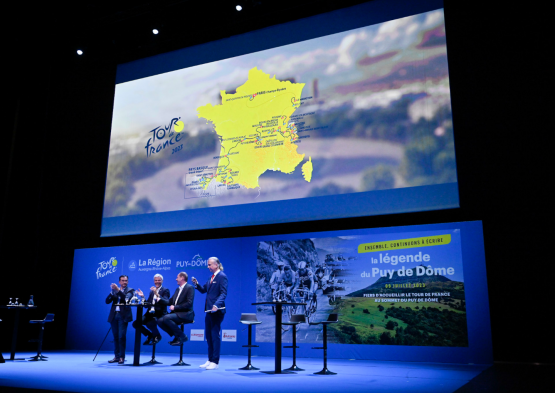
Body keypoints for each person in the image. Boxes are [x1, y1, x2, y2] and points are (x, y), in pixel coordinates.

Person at [192, 257, 227, 370]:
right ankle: (210, 359)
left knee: (214, 335)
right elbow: (203, 290)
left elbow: (223, 293)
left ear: (216, 265)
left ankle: (215, 361)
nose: (208, 267)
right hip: (208, 310)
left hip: (217, 310)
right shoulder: (211, 277)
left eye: (210, 264)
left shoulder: (222, 276)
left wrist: (216, 305)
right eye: (208, 265)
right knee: (208, 335)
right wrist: (197, 284)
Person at [157, 272, 195, 346]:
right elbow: (170, 301)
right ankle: (177, 336)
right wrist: (159, 299)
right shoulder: (178, 289)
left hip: (186, 314)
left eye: (177, 277)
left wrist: (175, 307)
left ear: (182, 278)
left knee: (166, 318)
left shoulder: (189, 287)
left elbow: (189, 303)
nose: (176, 279)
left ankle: (183, 337)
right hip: (177, 313)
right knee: (160, 321)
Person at [132, 273, 170, 345]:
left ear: (162, 281)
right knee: (135, 324)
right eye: (156, 280)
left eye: (159, 280)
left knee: (149, 323)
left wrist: (157, 293)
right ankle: (150, 335)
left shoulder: (165, 290)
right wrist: (143, 297)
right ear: (154, 281)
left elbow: (165, 302)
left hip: (159, 314)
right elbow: (147, 305)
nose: (157, 282)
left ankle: (158, 336)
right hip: (149, 313)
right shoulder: (151, 291)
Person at [105, 275, 134, 364]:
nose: (124, 282)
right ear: (119, 282)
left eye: (126, 280)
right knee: (116, 337)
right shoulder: (115, 291)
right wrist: (111, 292)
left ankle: (122, 357)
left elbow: (126, 299)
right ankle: (116, 356)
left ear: (128, 282)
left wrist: (118, 290)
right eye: (123, 280)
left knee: (121, 337)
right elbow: (107, 301)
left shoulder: (130, 290)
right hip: (114, 316)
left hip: (123, 316)